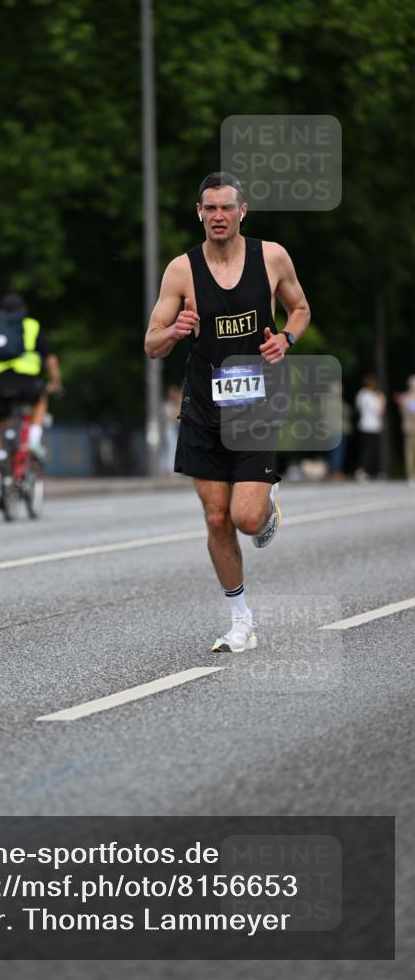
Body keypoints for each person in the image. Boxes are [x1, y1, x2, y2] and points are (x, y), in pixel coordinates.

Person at [144, 172, 311, 653]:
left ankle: (265, 509)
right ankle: (241, 620)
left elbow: (299, 308)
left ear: (243, 211)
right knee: (216, 519)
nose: (218, 216)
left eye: (226, 208)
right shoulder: (181, 270)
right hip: (203, 407)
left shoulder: (272, 257)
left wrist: (287, 338)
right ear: (199, 212)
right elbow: (152, 344)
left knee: (244, 516)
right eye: (209, 208)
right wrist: (175, 331)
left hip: (256, 404)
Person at [0, 293, 62, 465]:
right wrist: (55, 382)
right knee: (40, 401)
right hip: (25, 380)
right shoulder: (31, 325)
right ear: (23, 310)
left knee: (0, 429)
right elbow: (50, 359)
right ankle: (33, 440)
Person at [354, 375, 386, 481]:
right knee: (370, 449)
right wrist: (381, 400)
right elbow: (379, 412)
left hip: (364, 424)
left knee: (368, 448)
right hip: (372, 425)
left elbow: (358, 407)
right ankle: (362, 470)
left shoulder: (361, 394)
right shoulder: (372, 395)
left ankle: (370, 471)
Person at [393, 375, 415, 486]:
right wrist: (404, 405)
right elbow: (403, 412)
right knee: (409, 453)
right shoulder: (405, 397)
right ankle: (411, 475)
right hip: (409, 429)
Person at [161, 384, 182, 474]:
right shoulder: (167, 405)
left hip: (175, 430)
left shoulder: (174, 405)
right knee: (171, 449)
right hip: (169, 430)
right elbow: (174, 417)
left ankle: (171, 469)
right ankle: (170, 470)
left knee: (173, 449)